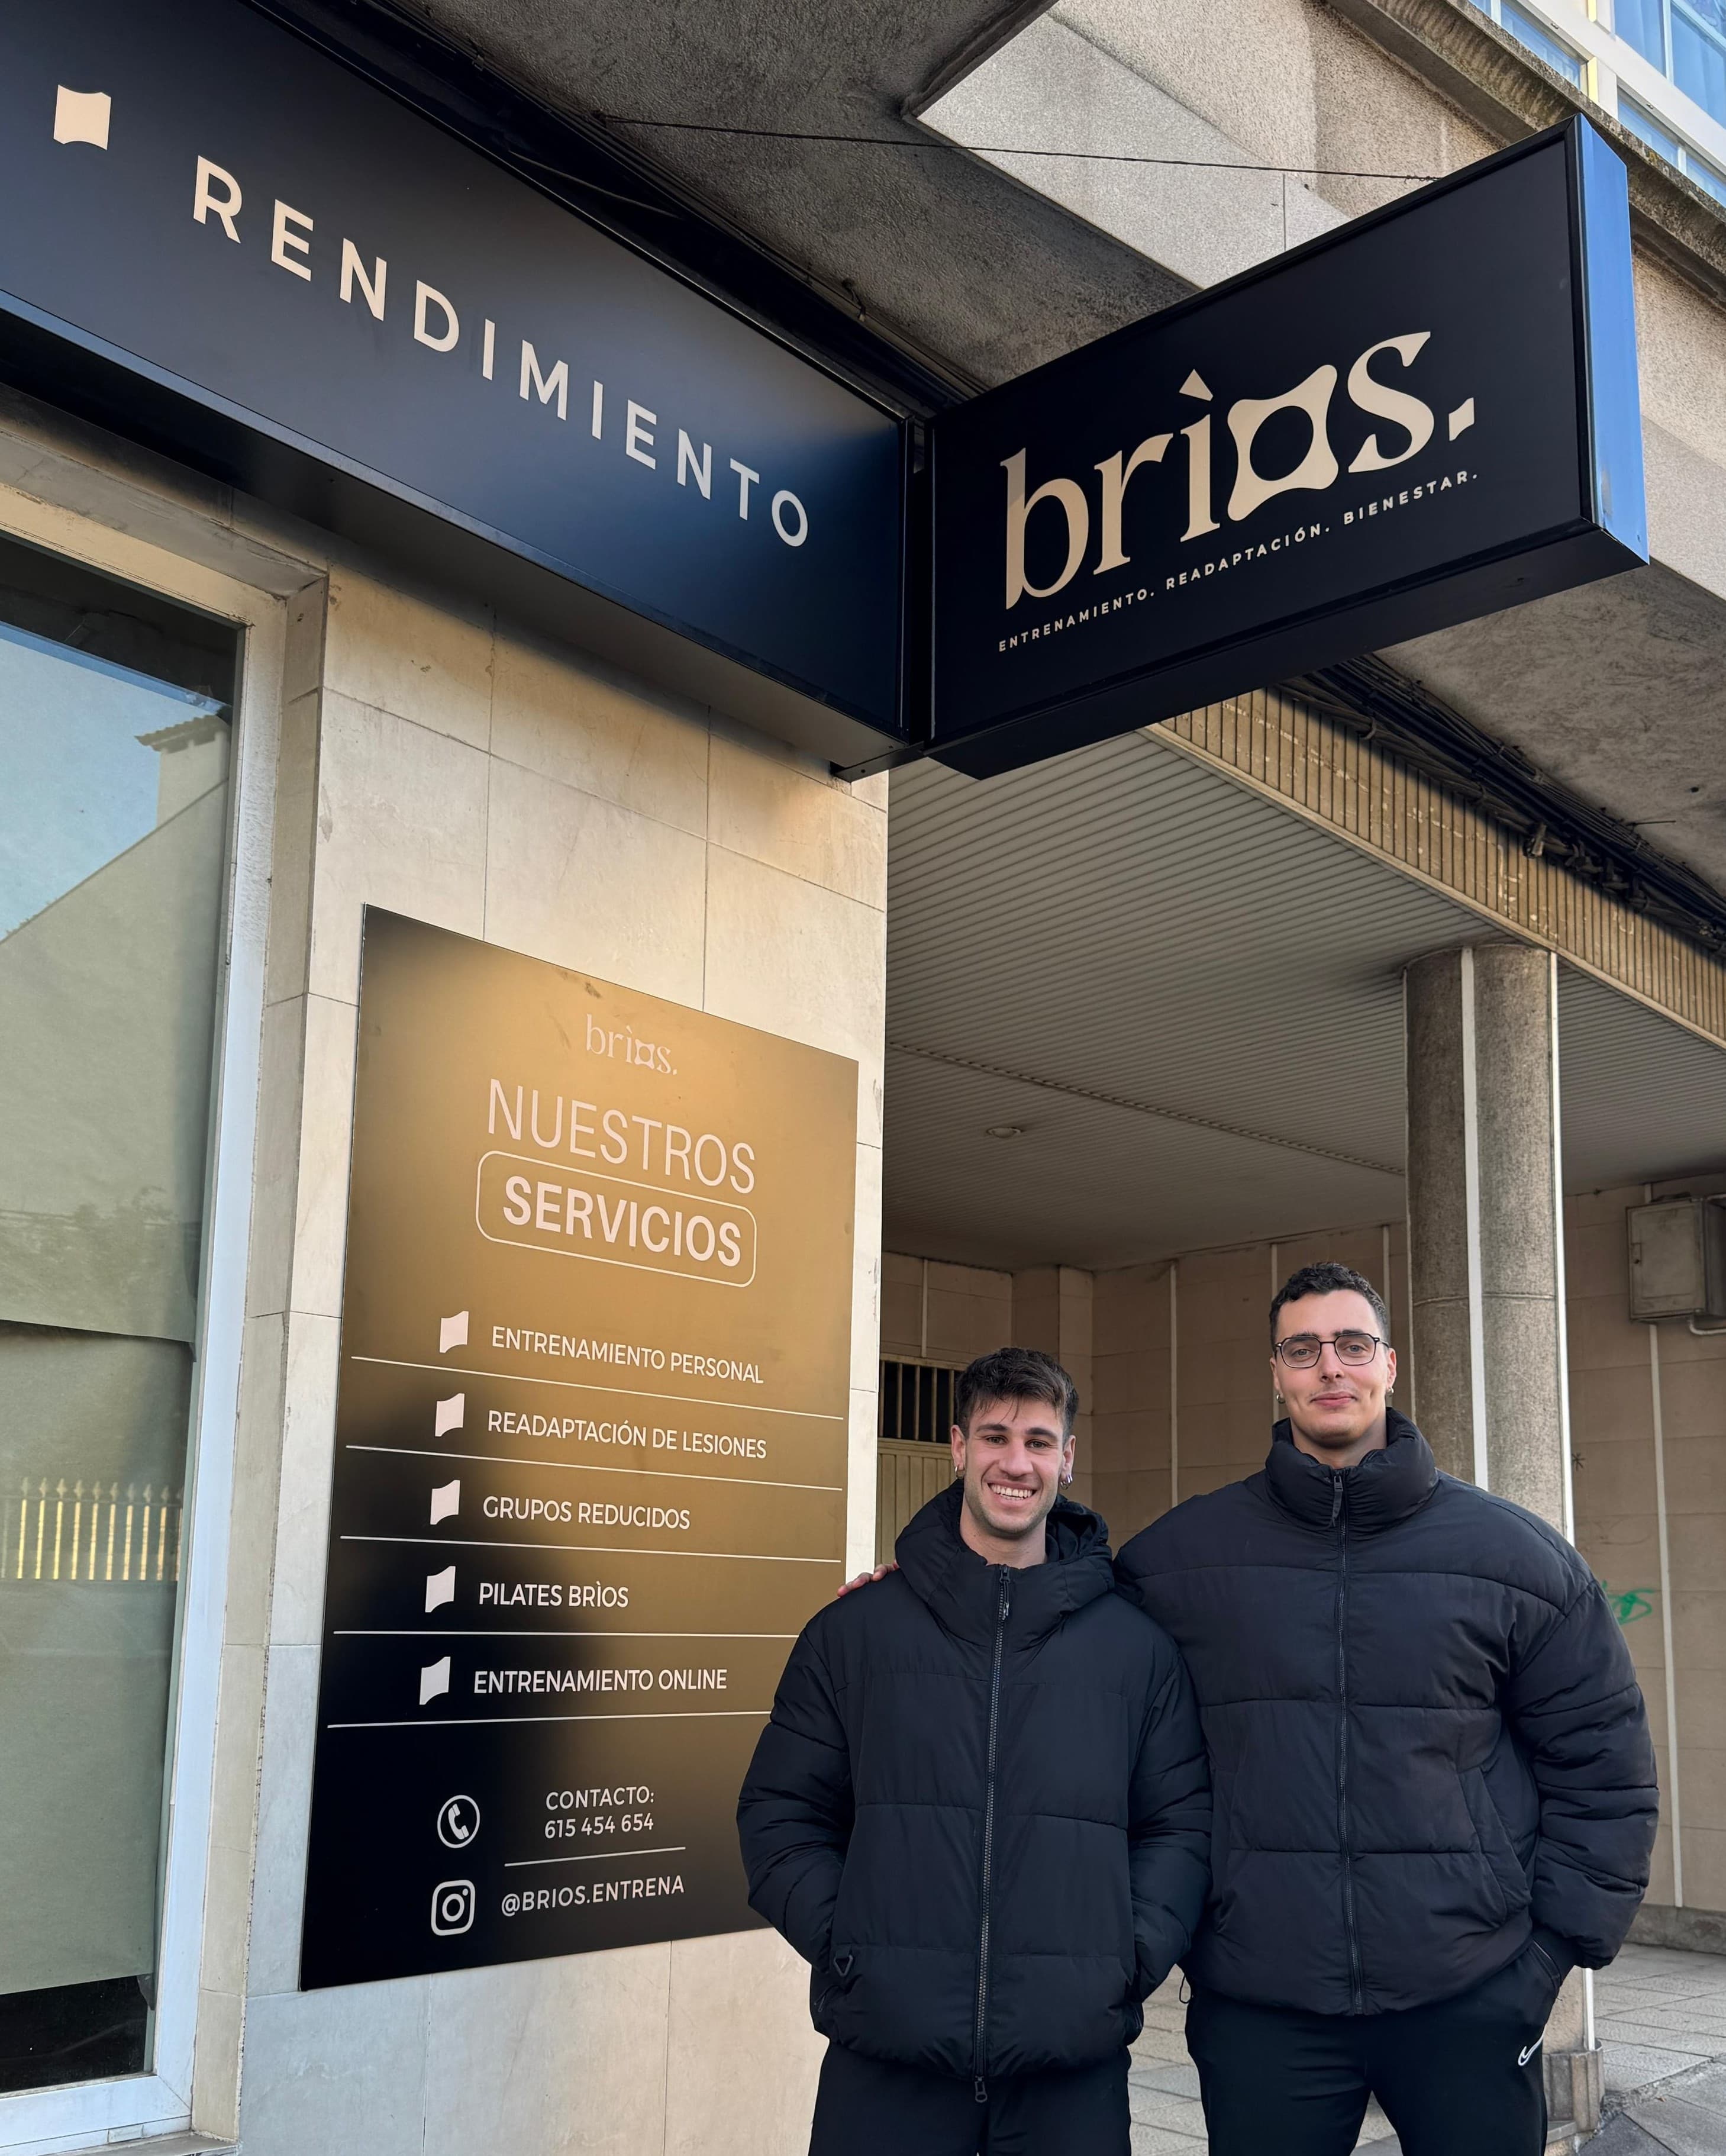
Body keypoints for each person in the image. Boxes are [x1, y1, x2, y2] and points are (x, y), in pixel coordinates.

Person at [1114, 1261, 1657, 2156]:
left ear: (1389, 1365)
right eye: (1303, 1348)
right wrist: (923, 1581)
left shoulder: (1514, 1559)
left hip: (1470, 1997)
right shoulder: (1179, 1562)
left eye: (1352, 1344)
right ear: (1277, 1373)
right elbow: (1066, 1664)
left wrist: (1544, 1961)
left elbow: (1604, 1767)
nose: (1330, 1367)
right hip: (1261, 2007)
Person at [737, 1346, 1211, 2156]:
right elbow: (778, 1812)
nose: (1014, 1463)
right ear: (958, 1449)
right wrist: (854, 1945)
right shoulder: (854, 1633)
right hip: (885, 2070)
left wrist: (1122, 1957)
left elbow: (1180, 1825)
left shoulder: (1135, 1651)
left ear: (1067, 1457)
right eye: (993, 1437)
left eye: (1036, 1440)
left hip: (1068, 2078)